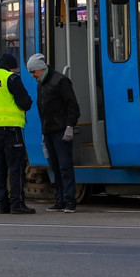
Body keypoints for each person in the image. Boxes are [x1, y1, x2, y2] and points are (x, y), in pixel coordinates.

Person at [26, 53, 81, 213]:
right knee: (55, 167)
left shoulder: (60, 81)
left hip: (61, 131)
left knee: (65, 166)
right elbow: (43, 109)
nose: (32, 75)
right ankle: (60, 200)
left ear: (41, 69)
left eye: (33, 72)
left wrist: (70, 126)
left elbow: (72, 105)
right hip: (49, 131)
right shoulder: (41, 83)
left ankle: (70, 201)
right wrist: (44, 132)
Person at [0, 53, 35, 214]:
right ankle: (17, 204)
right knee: (16, 167)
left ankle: (2, 205)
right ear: (11, 67)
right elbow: (25, 102)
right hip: (11, 129)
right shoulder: (11, 79)